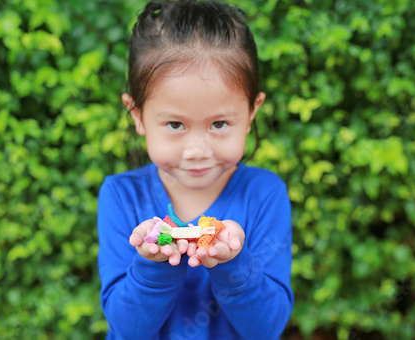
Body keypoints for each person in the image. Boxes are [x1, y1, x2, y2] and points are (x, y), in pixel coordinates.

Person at [97, 0, 293, 339]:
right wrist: (153, 265)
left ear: (251, 112)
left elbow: (268, 328)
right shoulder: (121, 196)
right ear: (138, 116)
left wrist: (233, 264)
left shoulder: (264, 194)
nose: (197, 151)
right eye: (175, 124)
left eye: (219, 123)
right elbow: (126, 329)